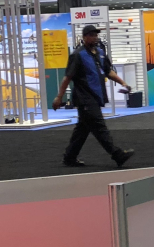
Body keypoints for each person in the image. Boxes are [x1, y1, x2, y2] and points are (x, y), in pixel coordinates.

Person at [53, 24, 135, 168]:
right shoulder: (78, 55)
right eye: (91, 35)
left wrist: (123, 83)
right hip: (84, 98)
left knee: (82, 129)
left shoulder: (100, 53)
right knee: (99, 126)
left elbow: (108, 71)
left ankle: (70, 157)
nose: (95, 37)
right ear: (84, 37)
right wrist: (59, 97)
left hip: (96, 97)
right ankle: (117, 155)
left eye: (96, 35)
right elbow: (67, 77)